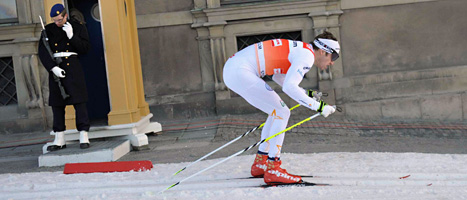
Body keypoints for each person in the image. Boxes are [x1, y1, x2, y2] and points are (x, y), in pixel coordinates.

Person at [222, 31, 340, 185]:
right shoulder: (307, 56)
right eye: (334, 57)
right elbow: (290, 87)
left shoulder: (302, 50)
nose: (332, 63)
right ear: (323, 51)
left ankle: (261, 162)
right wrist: (319, 107)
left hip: (235, 70)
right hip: (240, 71)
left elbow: (279, 77)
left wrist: (306, 94)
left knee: (276, 111)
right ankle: (273, 168)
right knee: (282, 111)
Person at [38, 4, 91, 151]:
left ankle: (84, 135)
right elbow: (42, 52)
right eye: (55, 20)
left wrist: (72, 36)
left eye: (60, 19)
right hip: (56, 68)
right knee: (57, 105)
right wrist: (53, 68)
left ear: (65, 15)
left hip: (72, 67)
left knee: (79, 102)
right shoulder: (48, 30)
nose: (57, 23)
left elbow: (85, 48)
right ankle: (59, 138)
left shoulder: (77, 27)